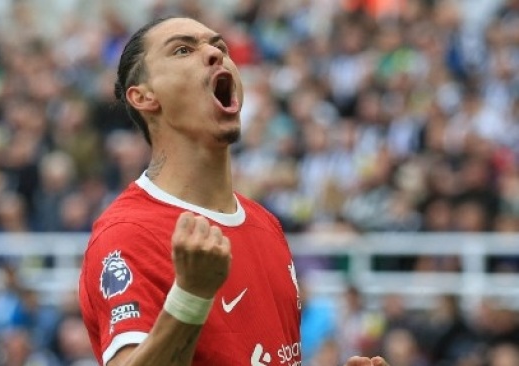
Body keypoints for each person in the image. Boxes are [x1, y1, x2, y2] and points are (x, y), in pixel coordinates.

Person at [78, 16, 388, 366]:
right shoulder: (127, 233)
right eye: (183, 49)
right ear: (144, 97)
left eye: (219, 46)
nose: (214, 53)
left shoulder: (266, 225)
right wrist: (191, 296)